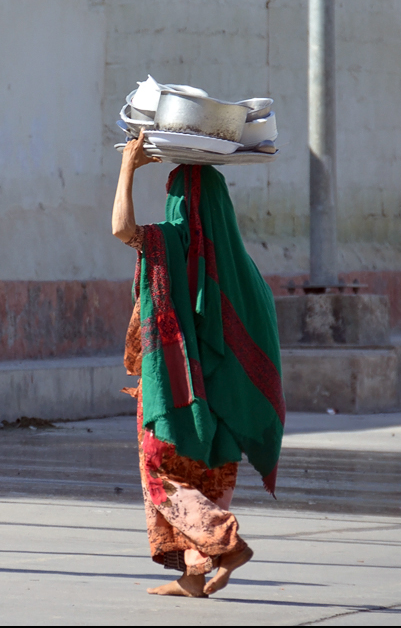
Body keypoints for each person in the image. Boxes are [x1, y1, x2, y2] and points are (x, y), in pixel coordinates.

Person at [111, 131, 285, 597]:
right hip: (226, 411)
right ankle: (192, 573)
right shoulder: (246, 274)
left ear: (178, 205)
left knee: (161, 476)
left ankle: (227, 543)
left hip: (178, 396)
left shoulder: (169, 243)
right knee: (205, 480)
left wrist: (128, 167)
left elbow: (121, 229)